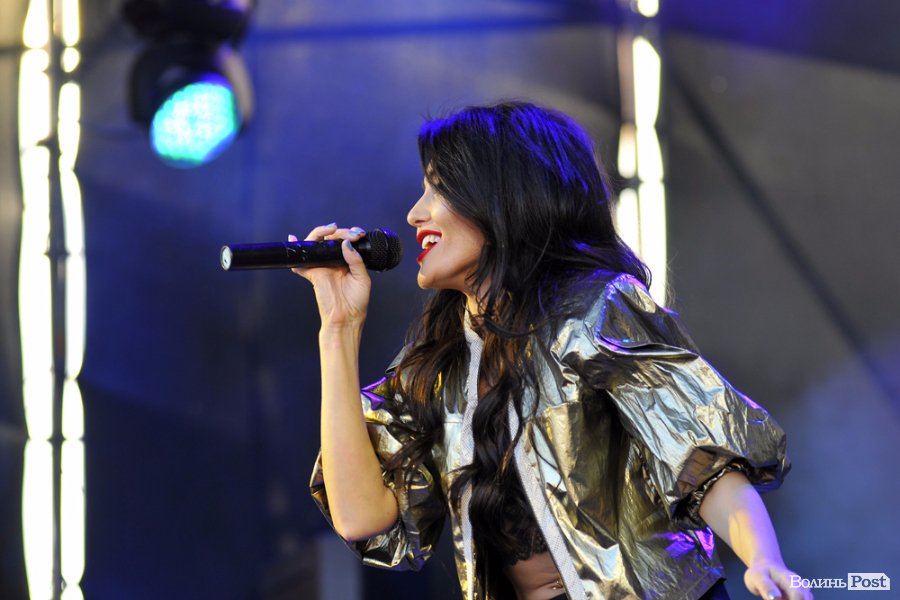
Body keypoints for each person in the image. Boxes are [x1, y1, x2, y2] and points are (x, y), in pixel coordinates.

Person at [293, 101, 812, 600]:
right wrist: (339, 328)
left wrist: (763, 558)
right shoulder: (437, 364)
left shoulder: (595, 311)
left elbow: (699, 454)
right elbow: (361, 517)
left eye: (439, 188)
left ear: (503, 198)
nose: (414, 213)